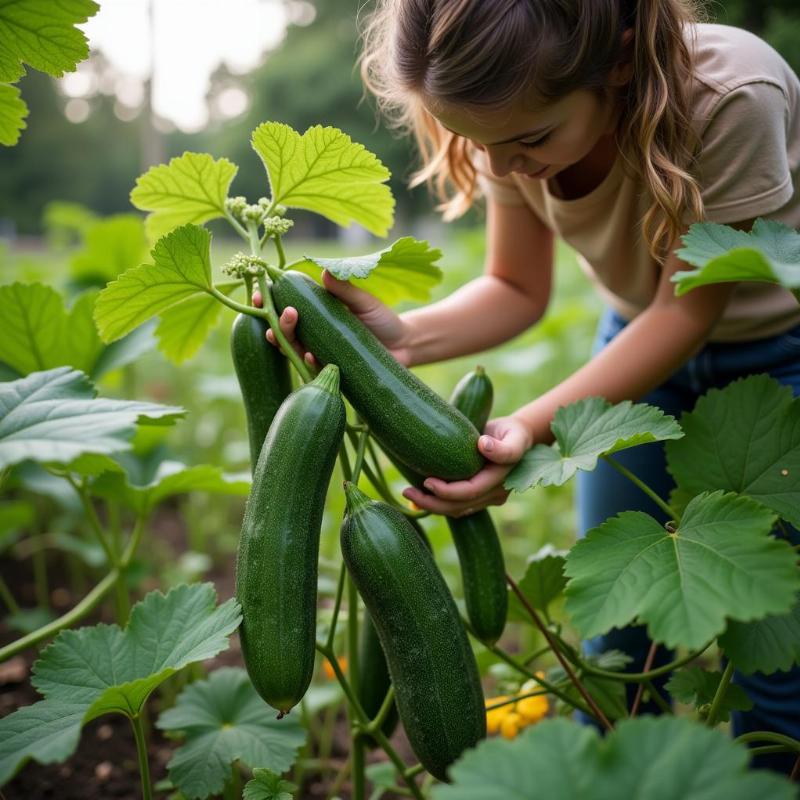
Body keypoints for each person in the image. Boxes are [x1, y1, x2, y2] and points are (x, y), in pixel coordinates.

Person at [262, 0, 800, 774]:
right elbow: (516, 286)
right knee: (616, 641)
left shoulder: (730, 94)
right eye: (482, 146)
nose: (506, 167)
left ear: (617, 64)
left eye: (530, 141)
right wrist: (405, 338)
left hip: (777, 350)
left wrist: (529, 425)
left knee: (775, 660)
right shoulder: (505, 120)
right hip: (634, 339)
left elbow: (687, 310)